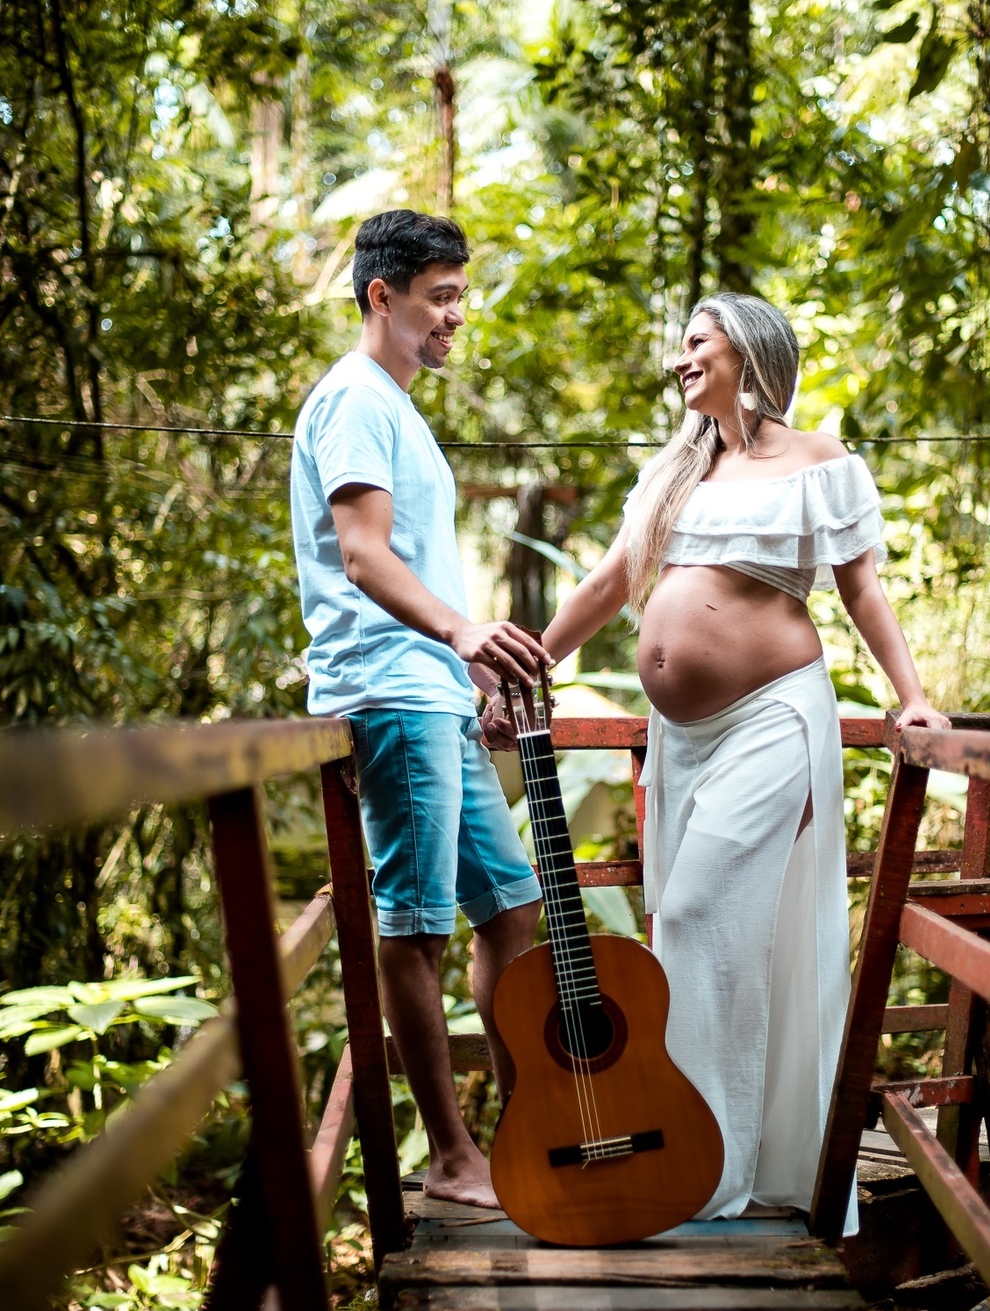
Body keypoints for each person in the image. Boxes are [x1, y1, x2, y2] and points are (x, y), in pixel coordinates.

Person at [485, 294, 949, 1227]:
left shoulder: (821, 460)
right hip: (682, 739)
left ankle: (709, 1170)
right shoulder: (675, 472)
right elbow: (613, 581)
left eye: (696, 343)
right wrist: (523, 668)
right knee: (690, 927)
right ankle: (685, 1143)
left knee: (697, 915)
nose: (679, 361)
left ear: (749, 348)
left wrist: (910, 696)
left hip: (775, 718)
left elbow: (860, 585)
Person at [291, 209, 548, 1209]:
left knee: (513, 907)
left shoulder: (398, 406)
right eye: (439, 298)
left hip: (434, 693)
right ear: (379, 297)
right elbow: (363, 555)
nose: (455, 317)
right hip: (389, 692)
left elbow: (412, 559)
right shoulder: (355, 400)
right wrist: (460, 636)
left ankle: (520, 1129)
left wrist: (473, 678)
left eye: (460, 297)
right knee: (416, 928)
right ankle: (450, 1159)